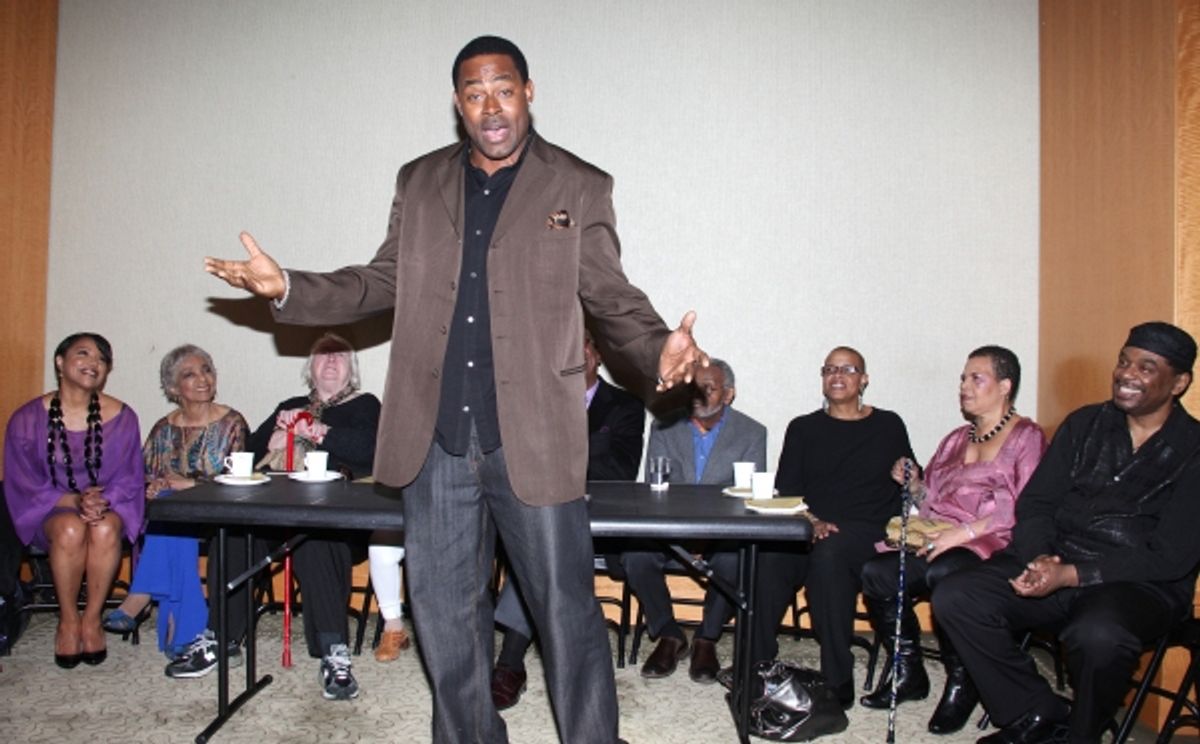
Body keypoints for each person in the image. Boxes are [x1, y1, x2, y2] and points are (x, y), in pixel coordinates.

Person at [203, 35, 705, 743]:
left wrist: (659, 349)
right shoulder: (419, 181)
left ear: (529, 92)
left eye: (503, 88)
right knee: (442, 618)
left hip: (532, 435)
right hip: (433, 437)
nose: (490, 106)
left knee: (566, 614)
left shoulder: (579, 184)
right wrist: (289, 287)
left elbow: (610, 297)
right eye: (474, 92)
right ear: (457, 103)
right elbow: (382, 280)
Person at [932, 323, 1200, 744]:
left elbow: (1171, 556)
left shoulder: (1194, 448)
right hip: (1055, 559)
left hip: (1137, 584)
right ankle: (1035, 710)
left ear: (1179, 382)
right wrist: (1041, 557)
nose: (1127, 374)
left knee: (1097, 634)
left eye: (1146, 367)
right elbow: (1035, 504)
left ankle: (1082, 734)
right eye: (1124, 361)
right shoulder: (1084, 424)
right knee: (958, 596)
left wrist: (1072, 574)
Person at [165, 333, 380, 702]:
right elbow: (246, 455)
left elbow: (372, 452)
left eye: (340, 356)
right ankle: (221, 638)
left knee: (318, 538)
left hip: (337, 519)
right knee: (232, 534)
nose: (331, 361)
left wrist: (320, 432)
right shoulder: (291, 404)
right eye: (322, 356)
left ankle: (333, 652)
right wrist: (273, 441)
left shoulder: (366, 406)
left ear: (352, 370)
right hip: (276, 513)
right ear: (309, 368)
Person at [858, 345, 1046, 731]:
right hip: (939, 537)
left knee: (945, 573)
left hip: (992, 542)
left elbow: (1029, 507)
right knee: (876, 572)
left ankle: (964, 682)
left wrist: (965, 533)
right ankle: (907, 670)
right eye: (963, 378)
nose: (965, 386)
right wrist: (913, 483)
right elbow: (932, 499)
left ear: (1005, 385)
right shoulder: (956, 438)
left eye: (976, 378)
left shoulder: (1027, 437)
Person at [747, 346, 916, 709]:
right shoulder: (803, 428)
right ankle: (758, 666)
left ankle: (837, 676)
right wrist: (812, 521)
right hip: (810, 525)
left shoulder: (888, 424)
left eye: (847, 369)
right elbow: (788, 493)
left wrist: (908, 476)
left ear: (864, 379)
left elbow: (912, 482)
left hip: (867, 529)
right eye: (829, 369)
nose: (837, 376)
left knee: (829, 556)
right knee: (769, 558)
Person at [490, 327, 646, 709]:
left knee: (542, 552)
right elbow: (519, 460)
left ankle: (511, 663)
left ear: (598, 356)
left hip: (599, 521)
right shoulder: (537, 404)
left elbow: (620, 469)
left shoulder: (625, 406)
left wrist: (557, 456)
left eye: (586, 345)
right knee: (540, 548)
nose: (577, 354)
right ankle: (511, 664)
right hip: (540, 512)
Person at [3, 332, 144, 668]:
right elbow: (21, 480)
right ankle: (67, 620)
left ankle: (92, 618)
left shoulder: (123, 417)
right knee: (69, 528)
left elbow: (130, 477)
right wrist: (71, 499)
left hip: (108, 508)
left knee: (105, 528)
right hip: (48, 511)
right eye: (83, 354)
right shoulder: (26, 418)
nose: (93, 363)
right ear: (60, 362)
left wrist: (101, 500)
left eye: (101, 358)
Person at [621, 358, 766, 683]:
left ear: (729, 394)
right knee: (635, 554)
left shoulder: (752, 433)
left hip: (724, 531)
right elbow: (654, 492)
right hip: (669, 527)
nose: (698, 396)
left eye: (709, 389)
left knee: (734, 558)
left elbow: (748, 500)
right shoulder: (664, 428)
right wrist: (685, 534)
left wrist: (706, 535)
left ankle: (706, 639)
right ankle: (669, 633)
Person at [101, 345, 249, 657]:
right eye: (190, 374)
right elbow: (140, 476)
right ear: (172, 387)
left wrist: (190, 485)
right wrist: (152, 486)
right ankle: (182, 632)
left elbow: (239, 482)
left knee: (174, 515)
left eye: (207, 370)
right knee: (172, 516)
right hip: (171, 519)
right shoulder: (163, 429)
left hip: (220, 514)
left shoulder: (232, 423)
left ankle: (140, 597)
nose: (202, 379)